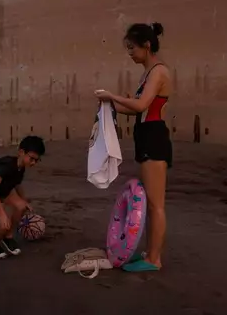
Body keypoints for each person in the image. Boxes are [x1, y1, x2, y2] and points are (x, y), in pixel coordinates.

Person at [95, 22, 171, 272]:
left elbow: (141, 106)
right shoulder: (147, 74)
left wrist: (113, 96)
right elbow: (135, 109)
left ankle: (154, 259)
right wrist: (110, 105)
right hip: (145, 135)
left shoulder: (159, 72)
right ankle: (149, 253)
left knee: (156, 203)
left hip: (154, 137)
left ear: (146, 46)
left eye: (132, 48)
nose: (129, 53)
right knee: (149, 201)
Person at [0, 135, 46, 260]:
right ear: (21, 152)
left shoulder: (20, 167)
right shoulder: (7, 166)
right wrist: (1, 213)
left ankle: (7, 237)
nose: (33, 163)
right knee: (4, 223)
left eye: (36, 160)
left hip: (2, 188)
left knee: (21, 207)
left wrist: (24, 200)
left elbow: (17, 184)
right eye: (31, 159)